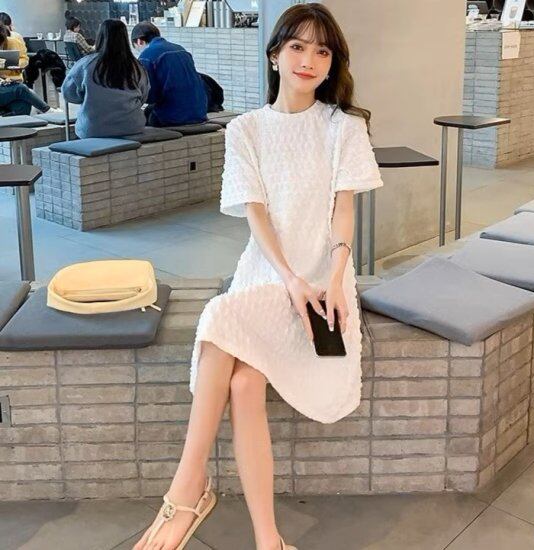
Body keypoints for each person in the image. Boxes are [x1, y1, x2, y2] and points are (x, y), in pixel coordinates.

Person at [133, 4, 383, 550]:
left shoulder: (344, 127)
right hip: (267, 274)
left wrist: (332, 278)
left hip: (325, 281)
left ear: (332, 62)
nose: (309, 59)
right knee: (233, 348)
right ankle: (251, 529)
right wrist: (289, 279)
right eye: (297, 46)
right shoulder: (246, 129)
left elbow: (344, 213)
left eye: (322, 50)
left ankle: (194, 498)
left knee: (240, 369)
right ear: (274, 55)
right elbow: (257, 216)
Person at [62, 19, 149, 139]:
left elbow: (68, 94)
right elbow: (144, 96)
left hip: (93, 129)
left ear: (100, 37)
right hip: (132, 127)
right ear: (125, 39)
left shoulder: (85, 64)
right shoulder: (137, 66)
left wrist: (90, 97)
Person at [131, 21, 207, 127]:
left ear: (139, 41)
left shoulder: (146, 56)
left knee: (140, 120)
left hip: (172, 117)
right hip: (200, 113)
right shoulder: (180, 49)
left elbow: (149, 95)